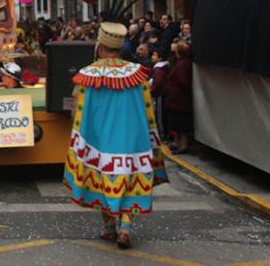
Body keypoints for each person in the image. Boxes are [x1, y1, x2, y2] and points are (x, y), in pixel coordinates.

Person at [64, 21, 168, 249]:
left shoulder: (87, 75)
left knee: (102, 179)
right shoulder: (137, 74)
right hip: (132, 140)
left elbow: (76, 109)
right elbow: (147, 107)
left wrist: (77, 133)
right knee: (131, 178)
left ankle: (109, 226)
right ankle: (126, 228)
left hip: (99, 141)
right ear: (119, 49)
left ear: (100, 46)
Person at [165, 40, 194, 154]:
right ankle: (176, 142)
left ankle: (183, 145)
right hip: (177, 99)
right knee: (177, 123)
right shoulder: (182, 62)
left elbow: (184, 82)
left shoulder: (183, 64)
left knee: (182, 124)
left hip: (180, 99)